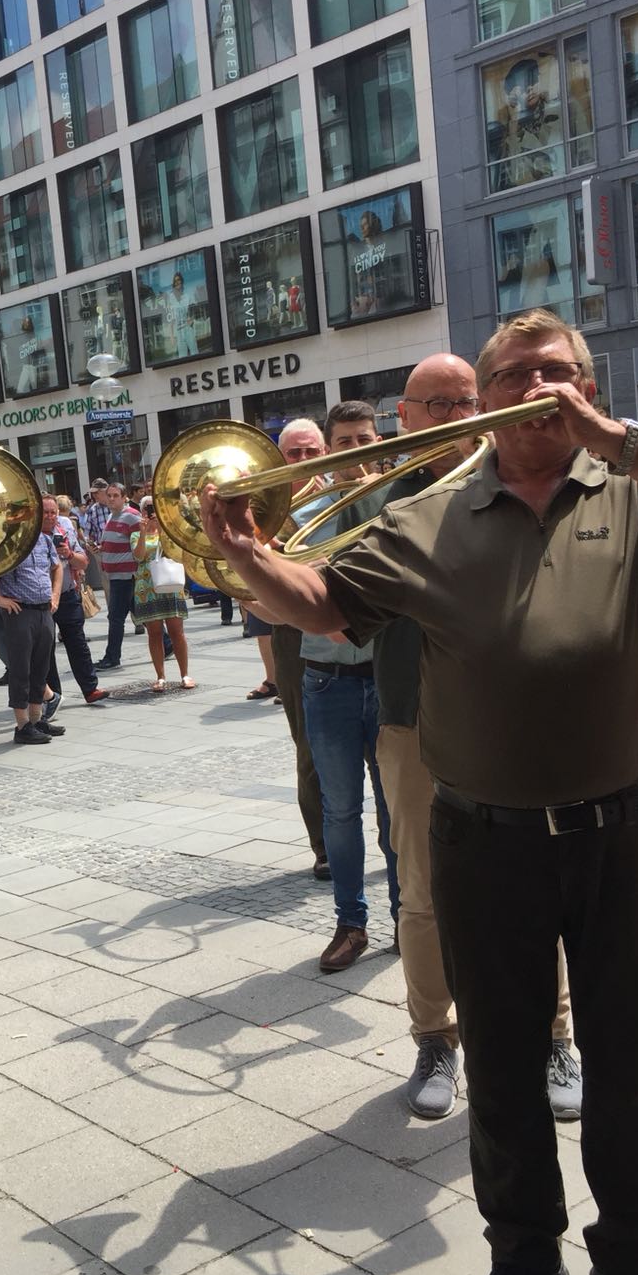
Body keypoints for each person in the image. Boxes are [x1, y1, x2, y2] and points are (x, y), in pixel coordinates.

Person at [199, 308, 638, 1275]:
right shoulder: (432, 511)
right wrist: (243, 559)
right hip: (485, 838)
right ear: (489, 399)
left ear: (587, 386)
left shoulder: (637, 490)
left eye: (557, 371)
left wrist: (613, 439)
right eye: (516, 372)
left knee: (636, 1063)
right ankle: (524, 1261)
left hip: (627, 830)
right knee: (505, 1066)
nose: (536, 385)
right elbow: (325, 604)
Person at [370, 355, 579, 1121]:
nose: (456, 415)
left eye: (465, 400)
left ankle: (555, 1036)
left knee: (540, 881)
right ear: (406, 415)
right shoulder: (381, 503)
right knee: (422, 893)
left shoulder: (523, 481)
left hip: (513, 718)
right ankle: (436, 1038)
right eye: (437, 403)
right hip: (414, 717)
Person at [298, 401, 398, 974]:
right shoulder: (307, 512)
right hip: (327, 678)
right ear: (329, 448)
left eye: (365, 439)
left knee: (395, 813)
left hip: (386, 678)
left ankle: (408, 916)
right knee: (340, 812)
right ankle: (351, 924)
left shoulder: (398, 505)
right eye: (343, 442)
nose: (355, 451)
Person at [269, 418, 329, 881]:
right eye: (295, 453)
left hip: (363, 624)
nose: (306, 460)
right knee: (308, 747)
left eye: (313, 451)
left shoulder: (355, 492)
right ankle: (323, 847)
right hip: (295, 634)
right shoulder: (270, 509)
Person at [0, 515, 64, 746]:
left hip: (44, 610)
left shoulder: (44, 541)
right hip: (19, 612)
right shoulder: (6, 544)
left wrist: (55, 595)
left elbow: (57, 567)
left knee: (41, 667)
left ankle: (37, 720)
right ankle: (22, 725)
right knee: (20, 668)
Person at [43, 496, 108, 705]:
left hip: (67, 594)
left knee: (77, 642)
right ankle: (53, 696)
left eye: (53, 512)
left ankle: (90, 689)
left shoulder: (65, 526)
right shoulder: (29, 532)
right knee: (46, 648)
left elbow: (84, 562)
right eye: (45, 512)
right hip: (40, 599)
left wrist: (68, 553)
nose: (50, 516)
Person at [131, 496, 195, 692]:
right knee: (154, 633)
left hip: (170, 585)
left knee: (177, 632)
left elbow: (178, 553)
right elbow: (139, 556)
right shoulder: (135, 534)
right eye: (148, 509)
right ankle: (160, 676)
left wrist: (165, 528)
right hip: (147, 589)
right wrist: (143, 532)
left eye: (155, 509)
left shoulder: (169, 531)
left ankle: (185, 674)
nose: (152, 513)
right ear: (142, 513)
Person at [95, 481, 140, 670]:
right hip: (116, 575)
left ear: (124, 498)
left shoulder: (131, 516)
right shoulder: (112, 516)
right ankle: (167, 642)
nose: (112, 499)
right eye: (109, 495)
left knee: (115, 617)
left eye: (116, 496)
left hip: (126, 575)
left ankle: (112, 657)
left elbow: (140, 545)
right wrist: (100, 548)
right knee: (139, 612)